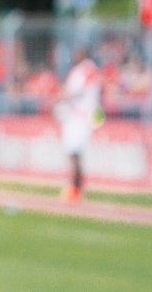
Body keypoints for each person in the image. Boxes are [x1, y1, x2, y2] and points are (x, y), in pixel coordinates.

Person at [55, 49, 102, 203]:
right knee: (75, 152)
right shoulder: (89, 69)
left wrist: (61, 97)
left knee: (73, 151)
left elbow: (75, 91)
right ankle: (77, 186)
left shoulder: (83, 70)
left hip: (79, 115)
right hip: (85, 114)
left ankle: (75, 187)